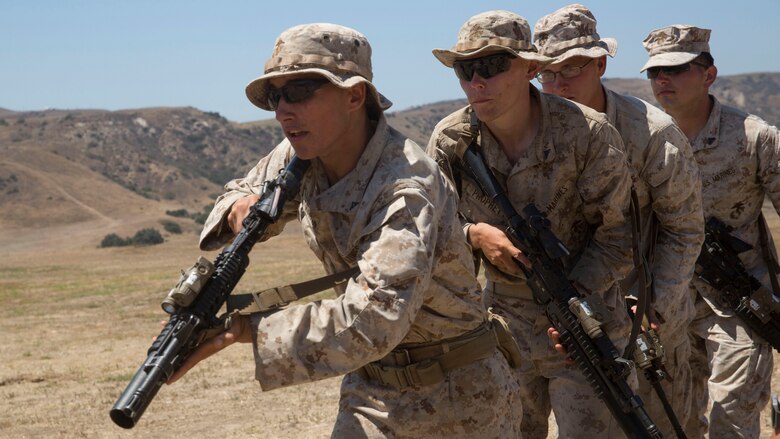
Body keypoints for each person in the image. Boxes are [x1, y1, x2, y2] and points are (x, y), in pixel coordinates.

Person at [168, 23, 522, 438]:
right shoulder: (303, 150)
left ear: (354, 96)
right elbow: (243, 190)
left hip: (461, 397)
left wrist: (244, 330)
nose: (283, 110)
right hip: (373, 389)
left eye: (299, 91)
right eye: (275, 95)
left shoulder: (405, 188)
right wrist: (239, 209)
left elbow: (373, 319)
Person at [427, 10, 635, 438]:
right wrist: (473, 235)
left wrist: (574, 304)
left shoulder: (587, 133)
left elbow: (618, 234)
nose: (476, 82)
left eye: (492, 65)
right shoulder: (450, 141)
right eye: (466, 69)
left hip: (584, 324)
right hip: (501, 329)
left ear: (531, 69)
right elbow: (430, 232)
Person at [533, 5, 704, 437]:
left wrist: (652, 305)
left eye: (570, 69)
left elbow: (683, 230)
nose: (557, 85)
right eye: (546, 74)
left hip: (645, 319)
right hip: (564, 320)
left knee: (665, 427)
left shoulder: (651, 133)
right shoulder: (529, 134)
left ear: (600, 64)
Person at [641, 24, 780, 438]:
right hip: (667, 304)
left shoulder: (756, 138)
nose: (662, 80)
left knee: (731, 423)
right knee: (673, 424)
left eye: (677, 69)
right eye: (654, 72)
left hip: (739, 303)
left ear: (708, 74)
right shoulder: (640, 138)